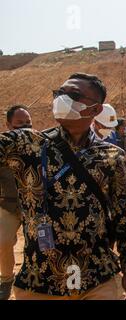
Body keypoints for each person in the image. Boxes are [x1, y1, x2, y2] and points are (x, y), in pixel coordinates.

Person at [0, 73, 126, 300]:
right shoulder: (27, 144)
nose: (62, 99)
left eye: (73, 95)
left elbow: (124, 215)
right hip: (40, 280)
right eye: (59, 94)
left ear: (95, 109)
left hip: (98, 277)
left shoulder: (112, 156)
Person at [0, 105, 32, 300]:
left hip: (35, 207)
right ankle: (5, 279)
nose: (25, 127)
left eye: (28, 123)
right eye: (20, 124)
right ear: (8, 125)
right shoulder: (2, 147)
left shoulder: (39, 144)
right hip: (9, 205)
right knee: (2, 241)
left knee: (42, 245)